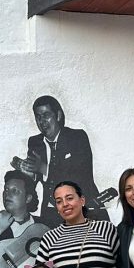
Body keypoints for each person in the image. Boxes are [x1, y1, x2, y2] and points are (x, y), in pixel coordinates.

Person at [14, 95, 108, 226]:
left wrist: (43, 168)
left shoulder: (77, 137)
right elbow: (36, 180)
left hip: (83, 209)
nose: (42, 121)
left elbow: (79, 176)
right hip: (52, 212)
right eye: (38, 117)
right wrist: (27, 172)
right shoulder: (35, 142)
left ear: (58, 115)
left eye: (46, 115)